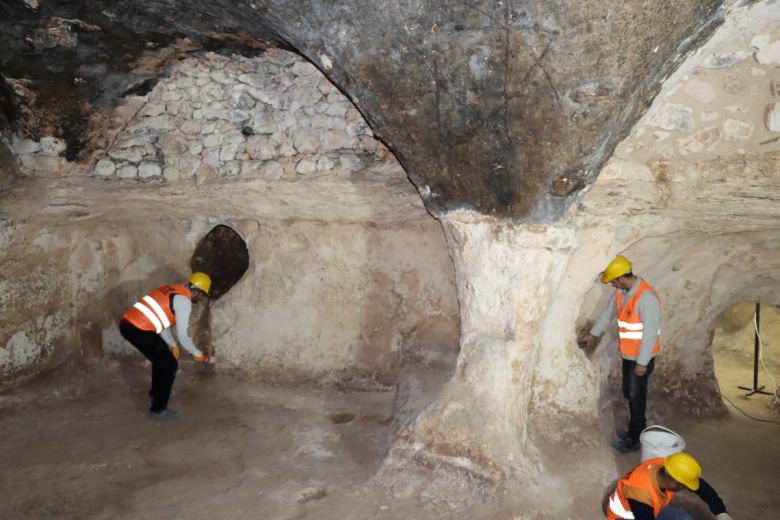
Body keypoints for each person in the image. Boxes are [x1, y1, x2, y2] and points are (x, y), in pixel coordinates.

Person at [580, 255, 661, 453]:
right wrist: (592, 334)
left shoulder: (646, 297)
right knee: (631, 393)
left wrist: (642, 363)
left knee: (636, 397)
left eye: (615, 281)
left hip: (641, 358)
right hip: (629, 356)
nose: (614, 285)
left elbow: (650, 334)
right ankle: (637, 430)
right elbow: (608, 314)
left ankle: (634, 440)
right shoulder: (621, 293)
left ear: (622, 279)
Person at [119, 272, 216, 421]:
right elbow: (184, 335)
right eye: (202, 294)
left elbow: (161, 320)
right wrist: (196, 353)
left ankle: (157, 392)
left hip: (130, 324)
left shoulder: (170, 288)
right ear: (196, 291)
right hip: (138, 329)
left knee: (162, 359)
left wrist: (171, 344)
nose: (201, 298)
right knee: (169, 365)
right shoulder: (184, 302)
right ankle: (158, 410)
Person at [605, 452, 733, 520]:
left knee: (685, 519)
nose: (686, 488)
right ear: (673, 483)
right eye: (684, 486)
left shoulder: (664, 466)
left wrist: (721, 513)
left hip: (651, 511)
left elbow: (702, 487)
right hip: (623, 516)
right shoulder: (640, 493)